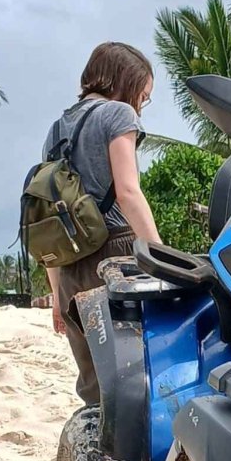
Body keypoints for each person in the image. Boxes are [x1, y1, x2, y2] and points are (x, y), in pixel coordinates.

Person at [45, 41, 163, 405]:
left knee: (95, 386)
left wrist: (55, 294)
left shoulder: (56, 128)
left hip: (69, 265)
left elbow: (49, 214)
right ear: (124, 82)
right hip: (116, 256)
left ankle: (95, 456)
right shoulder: (118, 115)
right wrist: (163, 259)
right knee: (136, 379)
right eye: (143, 94)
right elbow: (128, 192)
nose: (141, 104)